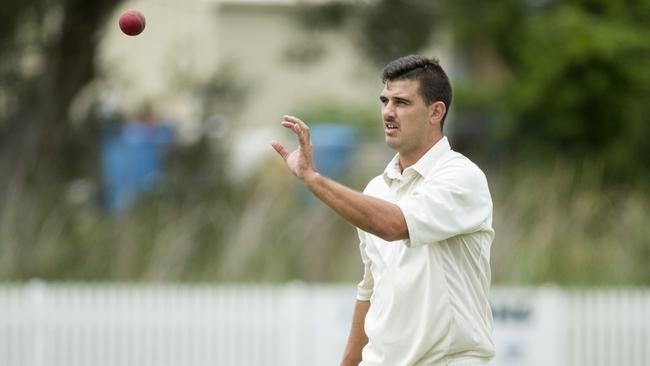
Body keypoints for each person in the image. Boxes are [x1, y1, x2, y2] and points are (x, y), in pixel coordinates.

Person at [271, 55, 495, 365]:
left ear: (435, 112)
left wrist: (313, 179)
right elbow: (370, 293)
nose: (388, 112)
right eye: (385, 100)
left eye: (402, 102)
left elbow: (394, 225)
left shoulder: (461, 177)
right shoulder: (376, 188)